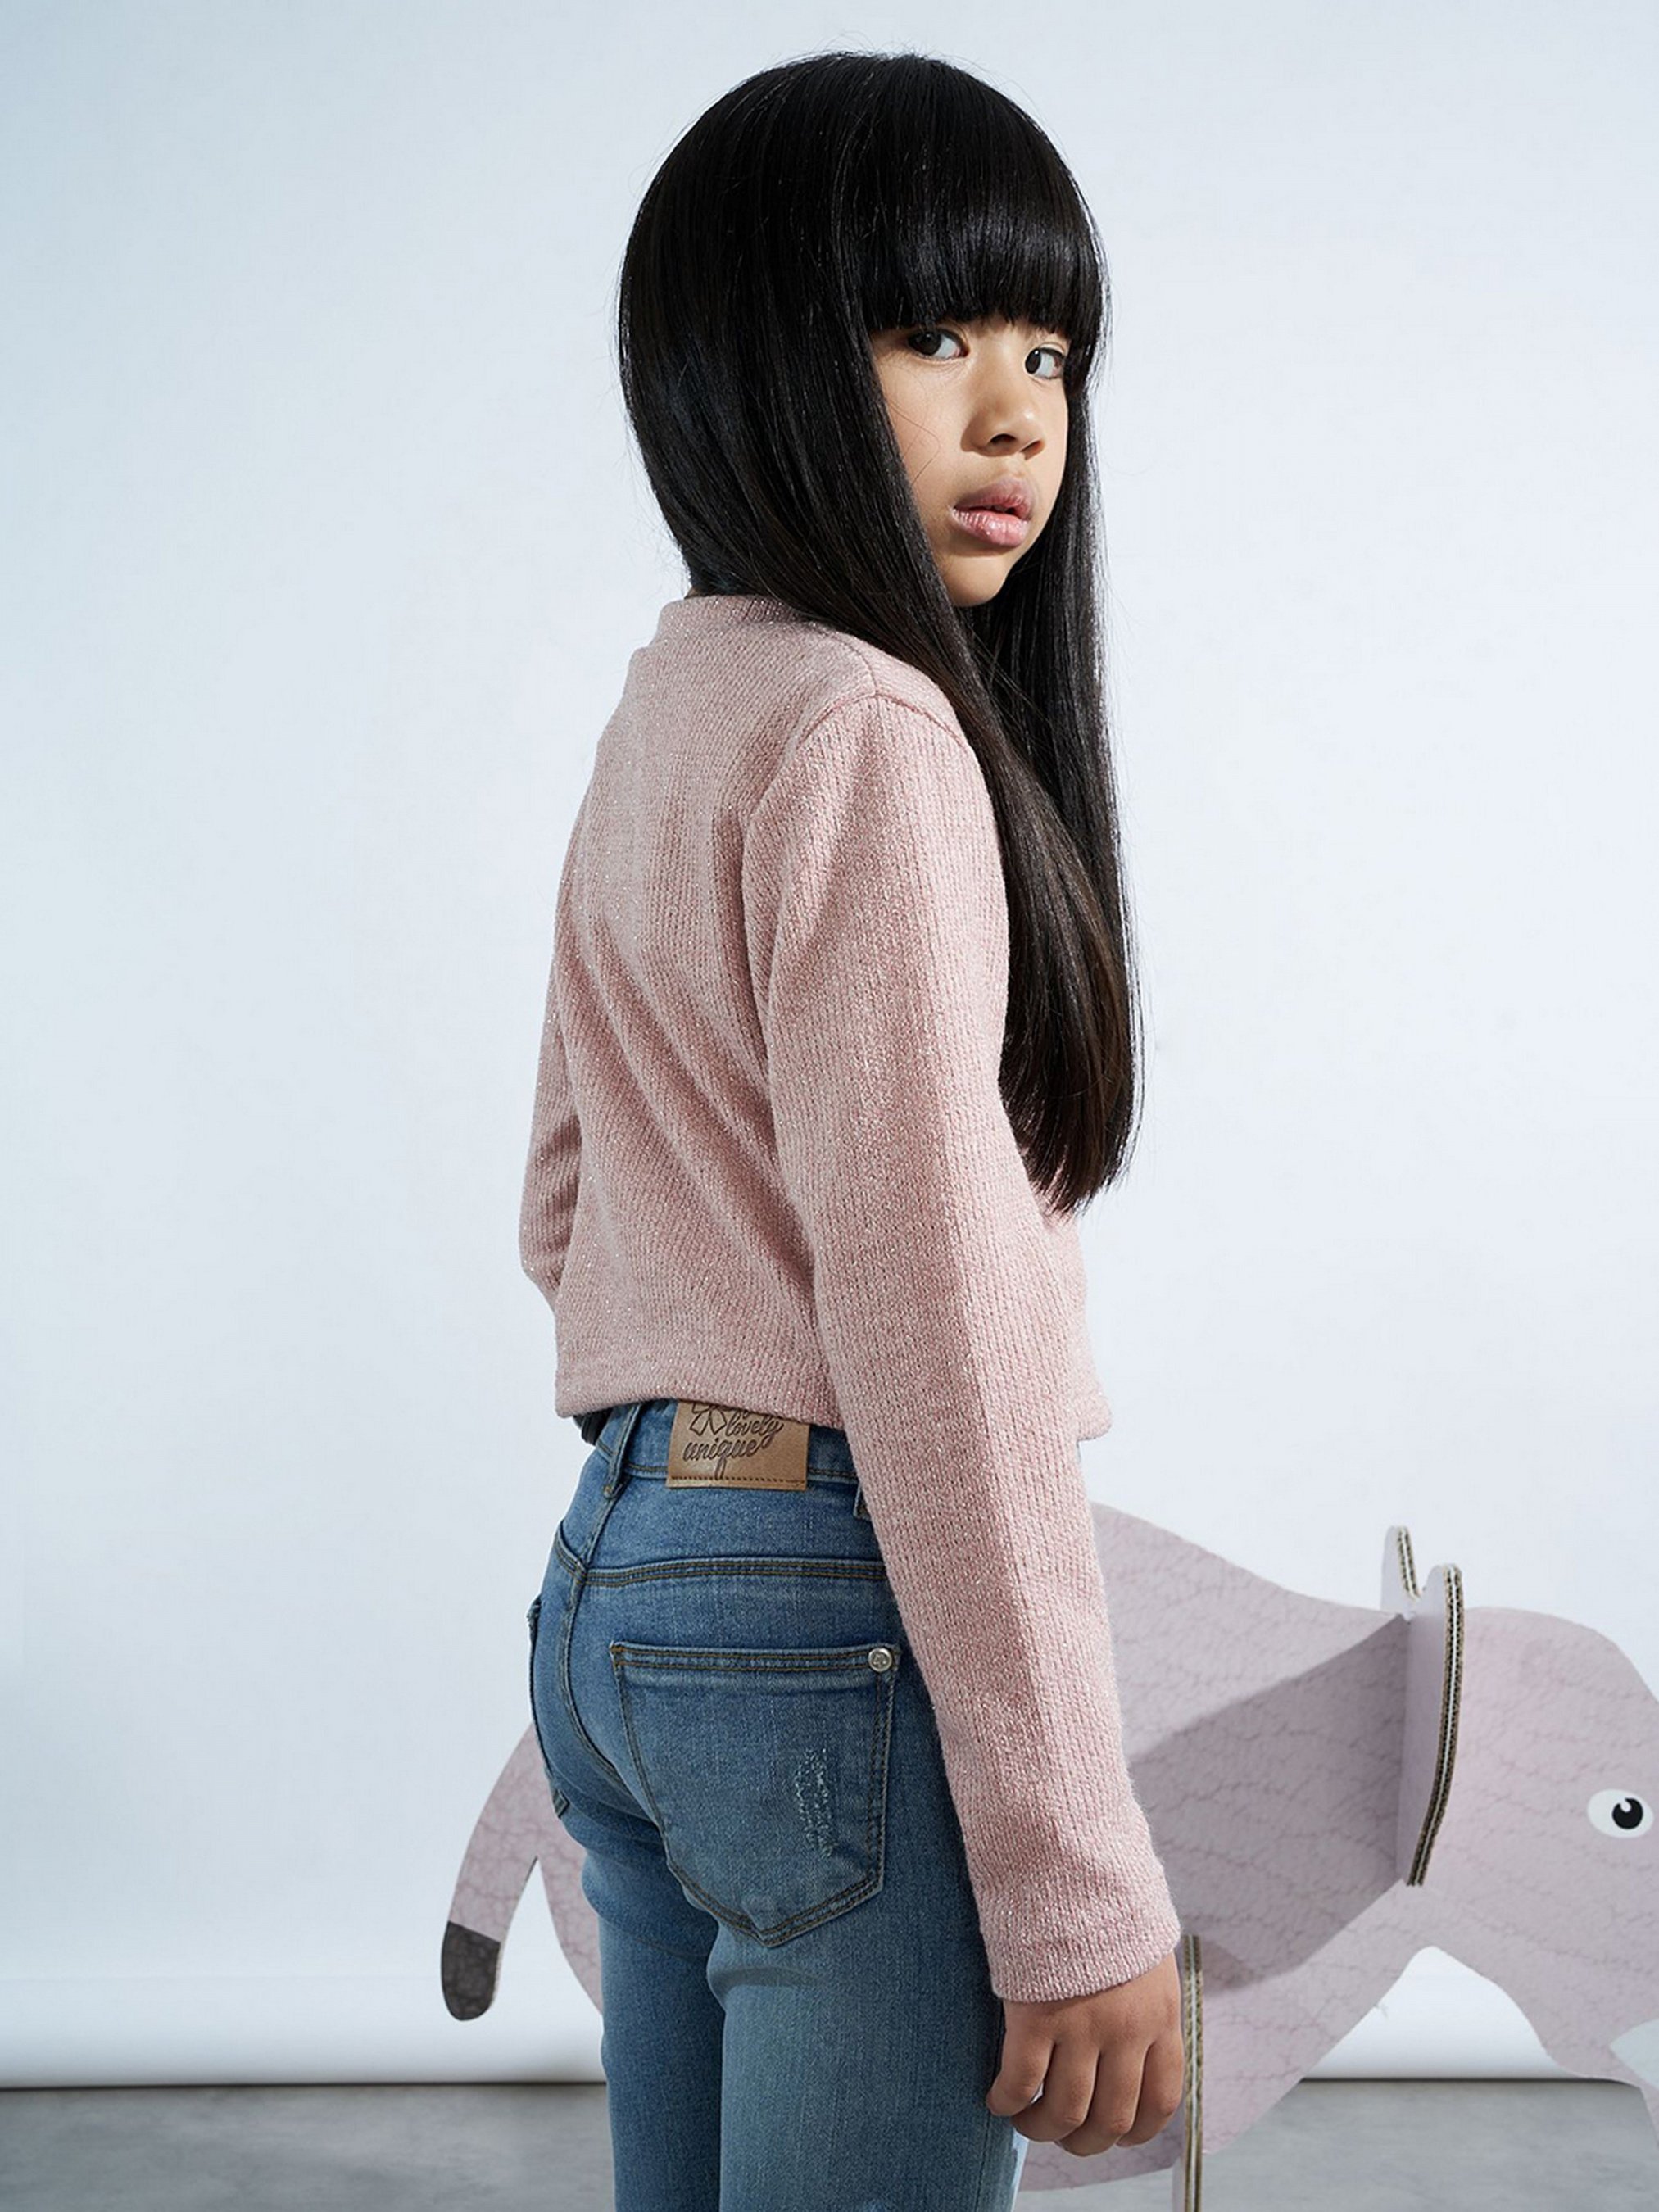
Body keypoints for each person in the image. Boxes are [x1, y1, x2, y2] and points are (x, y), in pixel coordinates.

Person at [519, 48, 1185, 2210]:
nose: (1015, 417)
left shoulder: (677, 699)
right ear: (755, 358)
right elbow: (937, 1329)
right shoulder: (872, 732)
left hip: (623, 1590)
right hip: (827, 1603)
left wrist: (688, 1483)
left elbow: (560, 1193)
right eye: (930, 335)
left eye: (1048, 352)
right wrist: (1078, 1883)